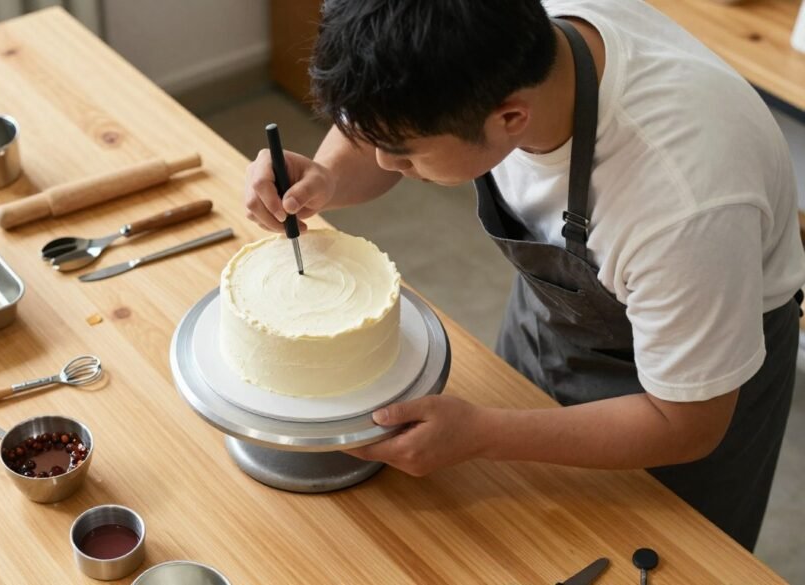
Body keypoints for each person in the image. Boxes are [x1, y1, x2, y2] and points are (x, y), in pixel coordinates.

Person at [243, 0, 805, 551]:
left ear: (511, 117)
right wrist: (326, 179)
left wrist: (484, 433)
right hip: (559, 315)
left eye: (404, 155)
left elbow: (688, 425)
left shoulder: (681, 205)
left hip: (689, 390)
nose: (386, 162)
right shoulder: (492, 45)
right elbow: (384, 131)